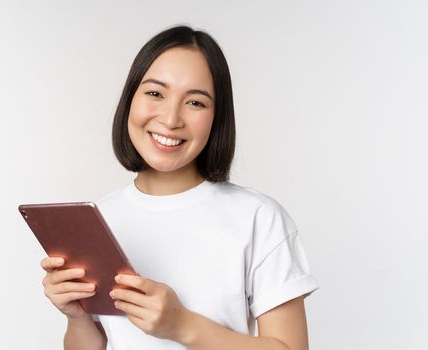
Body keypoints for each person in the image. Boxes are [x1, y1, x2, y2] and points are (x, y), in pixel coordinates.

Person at [39, 25, 318, 350]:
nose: (171, 119)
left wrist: (182, 325)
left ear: (217, 117)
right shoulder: (99, 219)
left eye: (195, 102)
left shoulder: (258, 218)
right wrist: (77, 317)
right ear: (131, 99)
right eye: (155, 93)